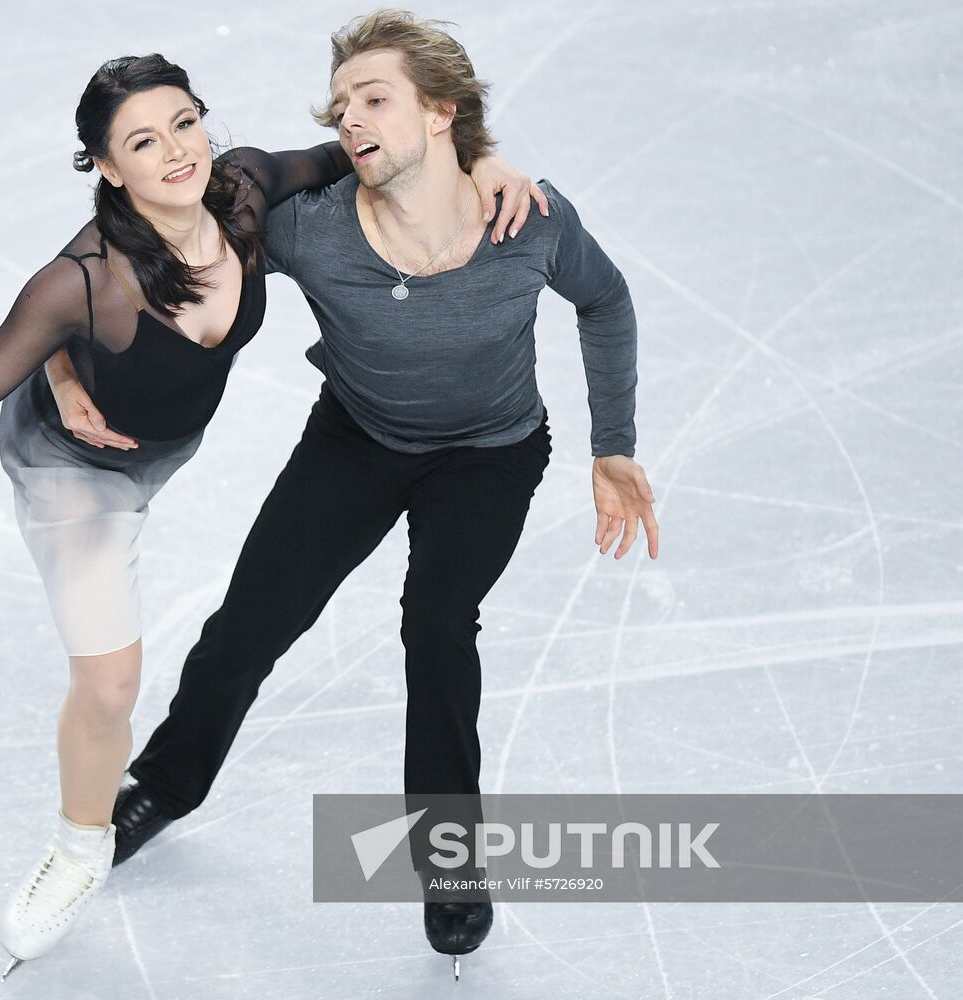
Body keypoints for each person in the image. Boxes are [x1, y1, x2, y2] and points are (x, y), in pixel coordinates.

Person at [0, 53, 545, 978]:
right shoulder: (79, 283)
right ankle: (82, 846)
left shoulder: (242, 191)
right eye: (141, 142)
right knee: (115, 682)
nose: (175, 153)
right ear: (106, 168)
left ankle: (428, 859)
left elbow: (378, 152)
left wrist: (483, 162)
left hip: (173, 443)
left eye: (184, 123)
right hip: (79, 467)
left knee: (373, 620)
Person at [47, 11, 660, 975]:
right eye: (340, 108)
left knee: (438, 626)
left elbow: (605, 300)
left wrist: (612, 444)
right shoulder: (306, 226)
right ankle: (165, 784)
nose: (350, 120)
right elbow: (124, 252)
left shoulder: (526, 219)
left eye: (374, 99)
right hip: (357, 442)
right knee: (249, 623)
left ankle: (449, 863)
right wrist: (63, 372)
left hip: (489, 456)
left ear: (442, 112)